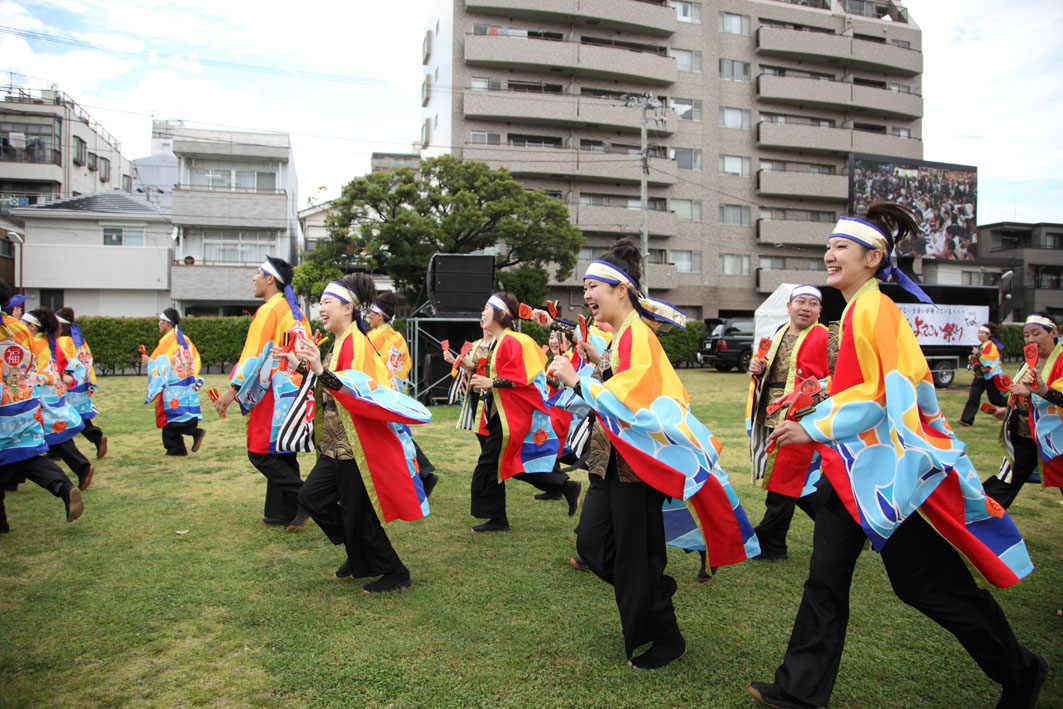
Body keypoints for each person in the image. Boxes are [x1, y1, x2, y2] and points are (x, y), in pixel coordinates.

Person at [748, 203, 1045, 709]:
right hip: (855, 472)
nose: (829, 255)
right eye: (829, 246)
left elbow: (885, 393)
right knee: (826, 577)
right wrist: (821, 404)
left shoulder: (875, 310)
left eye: (841, 247)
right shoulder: (858, 309)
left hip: (890, 478)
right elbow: (863, 386)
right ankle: (800, 690)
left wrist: (813, 427)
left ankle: (1022, 669)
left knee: (929, 587)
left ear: (873, 257)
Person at [549, 239, 759, 670]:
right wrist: (594, 363)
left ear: (621, 290)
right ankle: (649, 594)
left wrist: (576, 379)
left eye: (594, 287)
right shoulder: (622, 335)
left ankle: (664, 633)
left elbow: (629, 404)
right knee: (594, 546)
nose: (587, 296)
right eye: (585, 287)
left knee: (637, 557)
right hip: (609, 462)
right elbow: (618, 385)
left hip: (635, 467)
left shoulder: (638, 335)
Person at [277, 275, 432, 593]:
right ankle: (356, 549)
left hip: (354, 446)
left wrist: (319, 370)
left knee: (358, 513)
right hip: (336, 443)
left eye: (327, 302)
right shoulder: (339, 341)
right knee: (312, 499)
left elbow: (355, 390)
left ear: (348, 307)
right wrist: (302, 366)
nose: (321, 307)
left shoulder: (356, 342)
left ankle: (394, 571)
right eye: (319, 301)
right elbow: (331, 382)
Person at [447, 292, 576, 532]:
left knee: (489, 465)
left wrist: (491, 383)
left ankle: (499, 516)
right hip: (492, 413)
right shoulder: (494, 342)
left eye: (487, 307)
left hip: (512, 414)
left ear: (501, 314)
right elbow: (494, 372)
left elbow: (521, 378)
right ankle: (561, 486)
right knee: (504, 464)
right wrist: (471, 368)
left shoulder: (516, 340)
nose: (482, 312)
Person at [213, 256, 311, 530]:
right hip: (294, 388)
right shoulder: (295, 310)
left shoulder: (270, 310)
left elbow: (255, 355)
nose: (253, 278)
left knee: (261, 452)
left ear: (271, 279)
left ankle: (307, 498)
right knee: (282, 451)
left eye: (258, 273)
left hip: (272, 390)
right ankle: (282, 513)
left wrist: (233, 390)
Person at [744, 285, 827, 561]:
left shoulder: (826, 337)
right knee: (794, 481)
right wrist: (759, 368)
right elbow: (773, 368)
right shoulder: (778, 333)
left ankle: (771, 542)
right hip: (770, 415)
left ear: (819, 311)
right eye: (801, 301)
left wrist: (810, 403)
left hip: (801, 419)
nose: (806, 307)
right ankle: (841, 524)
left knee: (787, 480)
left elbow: (836, 378)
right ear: (788, 306)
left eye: (813, 303)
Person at [0, 278, 84, 531]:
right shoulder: (19, 330)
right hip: (23, 404)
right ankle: (63, 486)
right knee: (25, 455)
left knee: (13, 459)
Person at [981, 312, 1063, 508]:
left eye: (1036, 333)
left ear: (1054, 333)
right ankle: (976, 520)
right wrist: (1010, 409)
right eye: (1027, 335)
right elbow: (1022, 393)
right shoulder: (1029, 361)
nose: (1030, 339)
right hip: (1025, 435)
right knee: (1004, 482)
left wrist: (1040, 391)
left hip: (1057, 438)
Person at [366, 290, 439, 497]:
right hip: (394, 390)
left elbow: (365, 364)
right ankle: (423, 475)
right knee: (397, 436)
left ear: (379, 315)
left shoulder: (373, 337)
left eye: (370, 312)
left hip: (378, 392)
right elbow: (405, 365)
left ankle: (422, 475)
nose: (368, 316)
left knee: (392, 438)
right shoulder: (397, 336)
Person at [21, 308, 95, 491]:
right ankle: (11, 478)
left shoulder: (33, 344)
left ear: (32, 327)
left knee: (49, 434)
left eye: (23, 324)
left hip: (40, 395)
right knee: (50, 433)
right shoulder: (48, 341)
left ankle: (81, 467)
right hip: (51, 393)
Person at [142, 308, 206, 456]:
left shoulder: (168, 340)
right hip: (185, 382)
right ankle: (176, 447)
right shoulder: (184, 339)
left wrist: (148, 361)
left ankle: (193, 433)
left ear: (167, 324)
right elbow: (195, 358)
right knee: (180, 412)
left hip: (172, 384)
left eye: (160, 321)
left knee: (170, 415)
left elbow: (160, 361)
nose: (158, 324)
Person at [55, 308, 107, 459]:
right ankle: (96, 436)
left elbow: (63, 362)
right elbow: (88, 360)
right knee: (80, 415)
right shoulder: (80, 340)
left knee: (63, 416)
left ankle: (58, 449)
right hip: (82, 385)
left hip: (69, 385)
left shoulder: (62, 341)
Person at [958, 322, 1008, 426]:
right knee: (973, 397)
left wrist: (976, 354)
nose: (980, 334)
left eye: (983, 333)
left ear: (989, 335)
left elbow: (987, 360)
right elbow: (978, 358)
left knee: (995, 400)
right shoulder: (982, 346)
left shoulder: (991, 346)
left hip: (991, 376)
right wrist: (973, 357)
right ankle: (966, 420)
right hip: (980, 376)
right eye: (979, 332)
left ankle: (1014, 405)